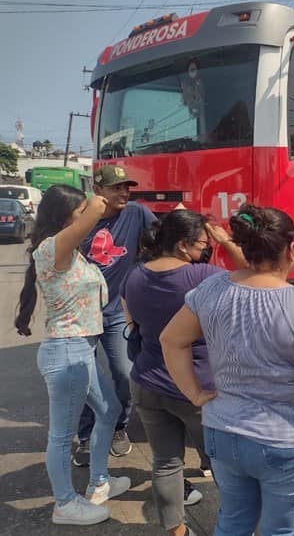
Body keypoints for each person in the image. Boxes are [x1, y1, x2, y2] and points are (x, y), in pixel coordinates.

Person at [160, 205, 294, 536]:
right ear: (291, 248)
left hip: (222, 432)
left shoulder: (212, 289)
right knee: (281, 530)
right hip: (288, 440)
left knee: (233, 521)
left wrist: (194, 393)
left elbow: (170, 340)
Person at [122, 209, 248, 536]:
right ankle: (237, 527)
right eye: (202, 244)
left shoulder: (134, 275)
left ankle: (177, 532)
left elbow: (131, 323)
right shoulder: (201, 276)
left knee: (165, 463)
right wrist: (227, 242)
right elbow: (253, 273)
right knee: (227, 466)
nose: (205, 249)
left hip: (147, 382)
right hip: (197, 387)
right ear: (182, 245)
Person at [15, 185, 131, 526]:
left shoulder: (71, 251)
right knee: (62, 436)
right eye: (79, 213)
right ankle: (65, 504)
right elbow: (94, 213)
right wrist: (99, 200)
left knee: (109, 410)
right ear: (64, 216)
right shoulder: (52, 249)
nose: (87, 218)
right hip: (66, 352)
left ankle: (99, 483)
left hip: (81, 350)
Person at [74, 165, 157, 466]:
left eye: (126, 187)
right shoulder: (80, 219)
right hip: (82, 313)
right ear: (98, 191)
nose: (124, 193)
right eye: (116, 187)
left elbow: (158, 240)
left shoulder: (137, 213)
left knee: (124, 373)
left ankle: (119, 425)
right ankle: (85, 434)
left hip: (119, 312)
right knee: (85, 377)